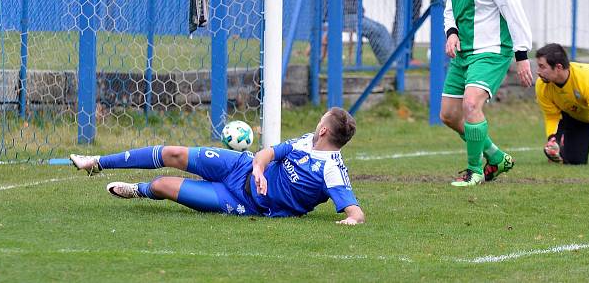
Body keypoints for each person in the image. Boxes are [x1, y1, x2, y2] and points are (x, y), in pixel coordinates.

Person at [69, 108, 366, 225]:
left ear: (325, 131)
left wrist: (350, 220)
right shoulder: (305, 141)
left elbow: (355, 211)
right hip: (240, 165)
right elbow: (267, 153)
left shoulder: (332, 172)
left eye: (320, 122)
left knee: (161, 185)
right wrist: (259, 170)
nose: (316, 125)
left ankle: (140, 190)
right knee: (173, 152)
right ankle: (96, 162)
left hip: (243, 201)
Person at [440, 0, 535, 187]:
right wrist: (452, 33)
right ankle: (495, 157)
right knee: (448, 115)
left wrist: (522, 56)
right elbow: (449, 11)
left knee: (471, 104)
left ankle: (474, 171)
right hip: (464, 54)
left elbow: (515, 15)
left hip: (491, 52)